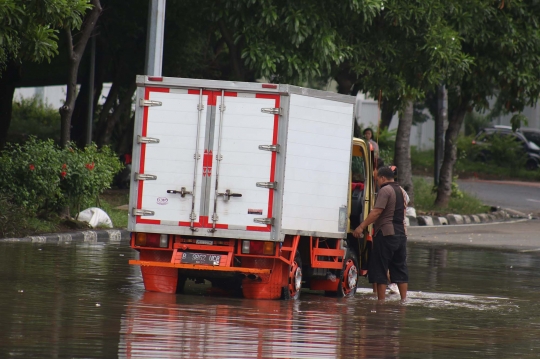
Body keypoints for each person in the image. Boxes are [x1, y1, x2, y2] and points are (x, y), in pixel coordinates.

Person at [353, 166, 408, 301]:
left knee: (380, 268)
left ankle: (380, 302)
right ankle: (404, 300)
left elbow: (377, 212)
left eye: (377, 179)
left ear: (382, 178)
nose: (377, 182)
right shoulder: (401, 191)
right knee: (400, 267)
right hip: (401, 235)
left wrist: (361, 227)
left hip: (386, 234)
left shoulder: (385, 190)